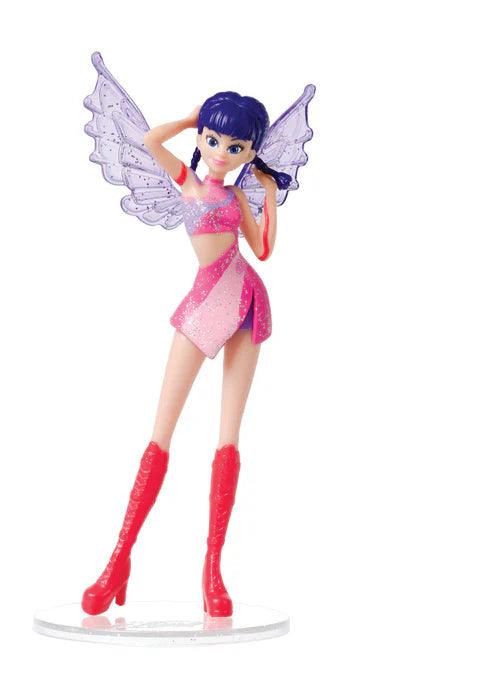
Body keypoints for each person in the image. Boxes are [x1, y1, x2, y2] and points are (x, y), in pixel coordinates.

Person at [81, 90, 294, 618]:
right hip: (203, 303)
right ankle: (118, 558)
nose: (222, 152)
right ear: (202, 138)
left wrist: (268, 194)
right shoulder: (189, 182)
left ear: (251, 151)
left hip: (246, 299)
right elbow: (151, 139)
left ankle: (213, 569)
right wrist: (190, 119)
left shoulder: (237, 197)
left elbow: (262, 249)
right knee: (161, 433)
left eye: (237, 147)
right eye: (213, 140)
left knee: (228, 436)